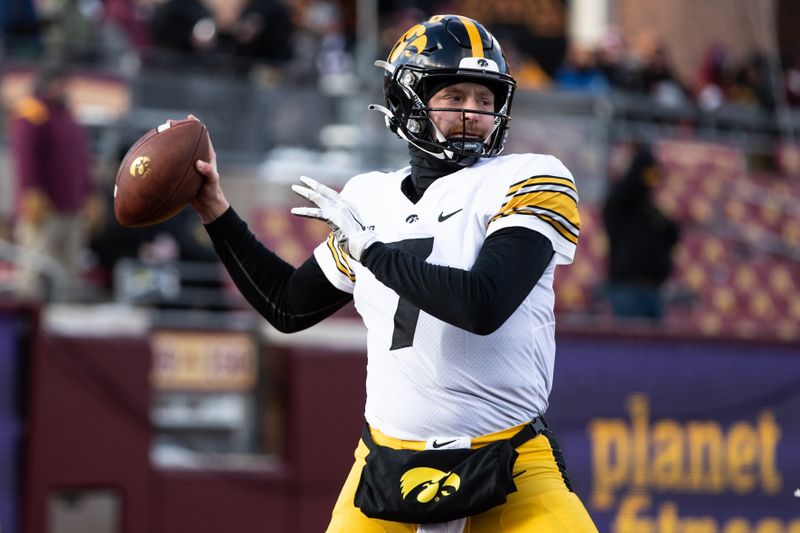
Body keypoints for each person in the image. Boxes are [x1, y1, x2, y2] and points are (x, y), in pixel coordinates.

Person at [189, 14, 597, 532]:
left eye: (486, 99)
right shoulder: (370, 198)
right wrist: (215, 212)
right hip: (386, 465)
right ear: (408, 100)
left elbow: (483, 303)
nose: (472, 112)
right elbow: (288, 306)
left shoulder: (531, 176)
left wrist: (373, 250)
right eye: (455, 96)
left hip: (511, 463)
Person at [10, 64, 95, 301]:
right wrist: (31, 192)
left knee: (69, 272)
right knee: (33, 270)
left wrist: (89, 194)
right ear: (48, 83)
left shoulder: (68, 115)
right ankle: (29, 327)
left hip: (72, 208)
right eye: (61, 83)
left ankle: (62, 329)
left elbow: (82, 159)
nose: (65, 89)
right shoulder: (32, 111)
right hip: (44, 209)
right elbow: (26, 156)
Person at [602, 144, 680, 321]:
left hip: (655, 289)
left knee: (653, 348)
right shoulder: (618, 204)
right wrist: (643, 155)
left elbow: (673, 235)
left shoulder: (654, 211)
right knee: (630, 346)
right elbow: (632, 184)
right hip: (628, 288)